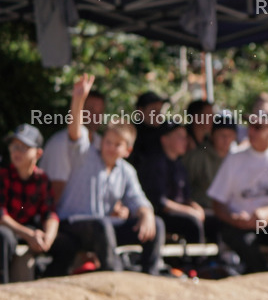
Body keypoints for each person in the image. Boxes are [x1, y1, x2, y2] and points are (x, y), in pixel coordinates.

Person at [50, 75, 165, 276]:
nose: (110, 147)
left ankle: (150, 275)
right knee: (102, 225)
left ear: (127, 151)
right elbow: (75, 131)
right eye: (108, 142)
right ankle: (114, 275)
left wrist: (146, 214)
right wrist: (78, 99)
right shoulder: (85, 155)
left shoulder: (126, 171)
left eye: (117, 144)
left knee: (157, 223)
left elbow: (138, 200)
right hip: (73, 223)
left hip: (103, 227)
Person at [207, 108, 268, 273]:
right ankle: (262, 274)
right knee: (233, 235)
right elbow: (217, 203)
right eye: (249, 126)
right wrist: (234, 218)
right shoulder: (235, 158)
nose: (250, 131)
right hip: (240, 228)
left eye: (257, 127)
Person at [0, 124, 58, 283]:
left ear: (38, 153)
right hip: (9, 231)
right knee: (3, 236)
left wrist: (48, 238)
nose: (17, 151)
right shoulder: (3, 175)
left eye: (24, 147)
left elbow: (50, 213)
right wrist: (29, 235)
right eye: (14, 146)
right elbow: (1, 216)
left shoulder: (42, 179)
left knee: (65, 243)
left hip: (27, 231)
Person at [136, 122, 206, 245]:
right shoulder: (155, 164)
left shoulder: (180, 165)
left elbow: (186, 197)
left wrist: (196, 207)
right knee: (192, 223)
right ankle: (197, 257)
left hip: (180, 211)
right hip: (162, 215)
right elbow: (161, 202)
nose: (185, 141)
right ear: (165, 139)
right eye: (180, 136)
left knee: (213, 221)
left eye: (185, 136)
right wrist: (189, 211)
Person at [40, 86, 105, 202]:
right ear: (79, 110)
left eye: (99, 112)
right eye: (90, 110)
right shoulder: (59, 143)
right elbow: (55, 192)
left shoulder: (102, 144)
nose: (95, 116)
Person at [130, 90, 169, 162]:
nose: (158, 115)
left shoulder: (166, 131)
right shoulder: (131, 133)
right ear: (140, 111)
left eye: (159, 111)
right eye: (154, 111)